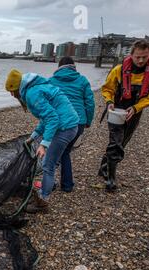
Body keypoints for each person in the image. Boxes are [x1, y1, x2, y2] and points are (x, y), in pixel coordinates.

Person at [5, 69, 79, 213]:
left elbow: (52, 118)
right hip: (69, 125)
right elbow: (45, 118)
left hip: (65, 127)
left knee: (47, 165)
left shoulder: (32, 94)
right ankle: (45, 192)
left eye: (12, 91)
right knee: (51, 163)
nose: (11, 94)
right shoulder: (34, 88)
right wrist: (34, 136)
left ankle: (43, 201)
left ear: (17, 87)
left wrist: (44, 144)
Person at [98, 40, 149, 192]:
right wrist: (109, 101)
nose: (141, 60)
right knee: (115, 142)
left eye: (144, 57)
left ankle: (104, 166)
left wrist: (137, 108)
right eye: (137, 57)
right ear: (131, 55)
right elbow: (107, 88)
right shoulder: (119, 70)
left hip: (135, 112)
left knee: (123, 142)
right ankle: (110, 179)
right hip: (116, 110)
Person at [49, 57, 95, 192]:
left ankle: (51, 183)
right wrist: (88, 121)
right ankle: (67, 185)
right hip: (78, 122)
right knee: (65, 152)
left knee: (55, 153)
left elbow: (48, 103)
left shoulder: (51, 81)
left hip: (59, 122)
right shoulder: (82, 80)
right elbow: (90, 103)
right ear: (73, 67)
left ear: (59, 67)